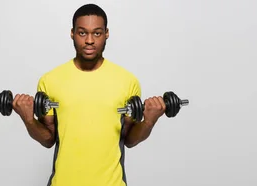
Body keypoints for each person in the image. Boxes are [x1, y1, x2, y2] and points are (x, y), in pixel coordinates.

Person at [11, 3, 167, 186]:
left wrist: (149, 120)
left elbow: (129, 140)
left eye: (97, 33)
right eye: (82, 33)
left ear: (106, 33)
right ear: (72, 33)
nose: (90, 40)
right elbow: (48, 139)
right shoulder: (50, 80)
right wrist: (28, 120)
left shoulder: (127, 81)